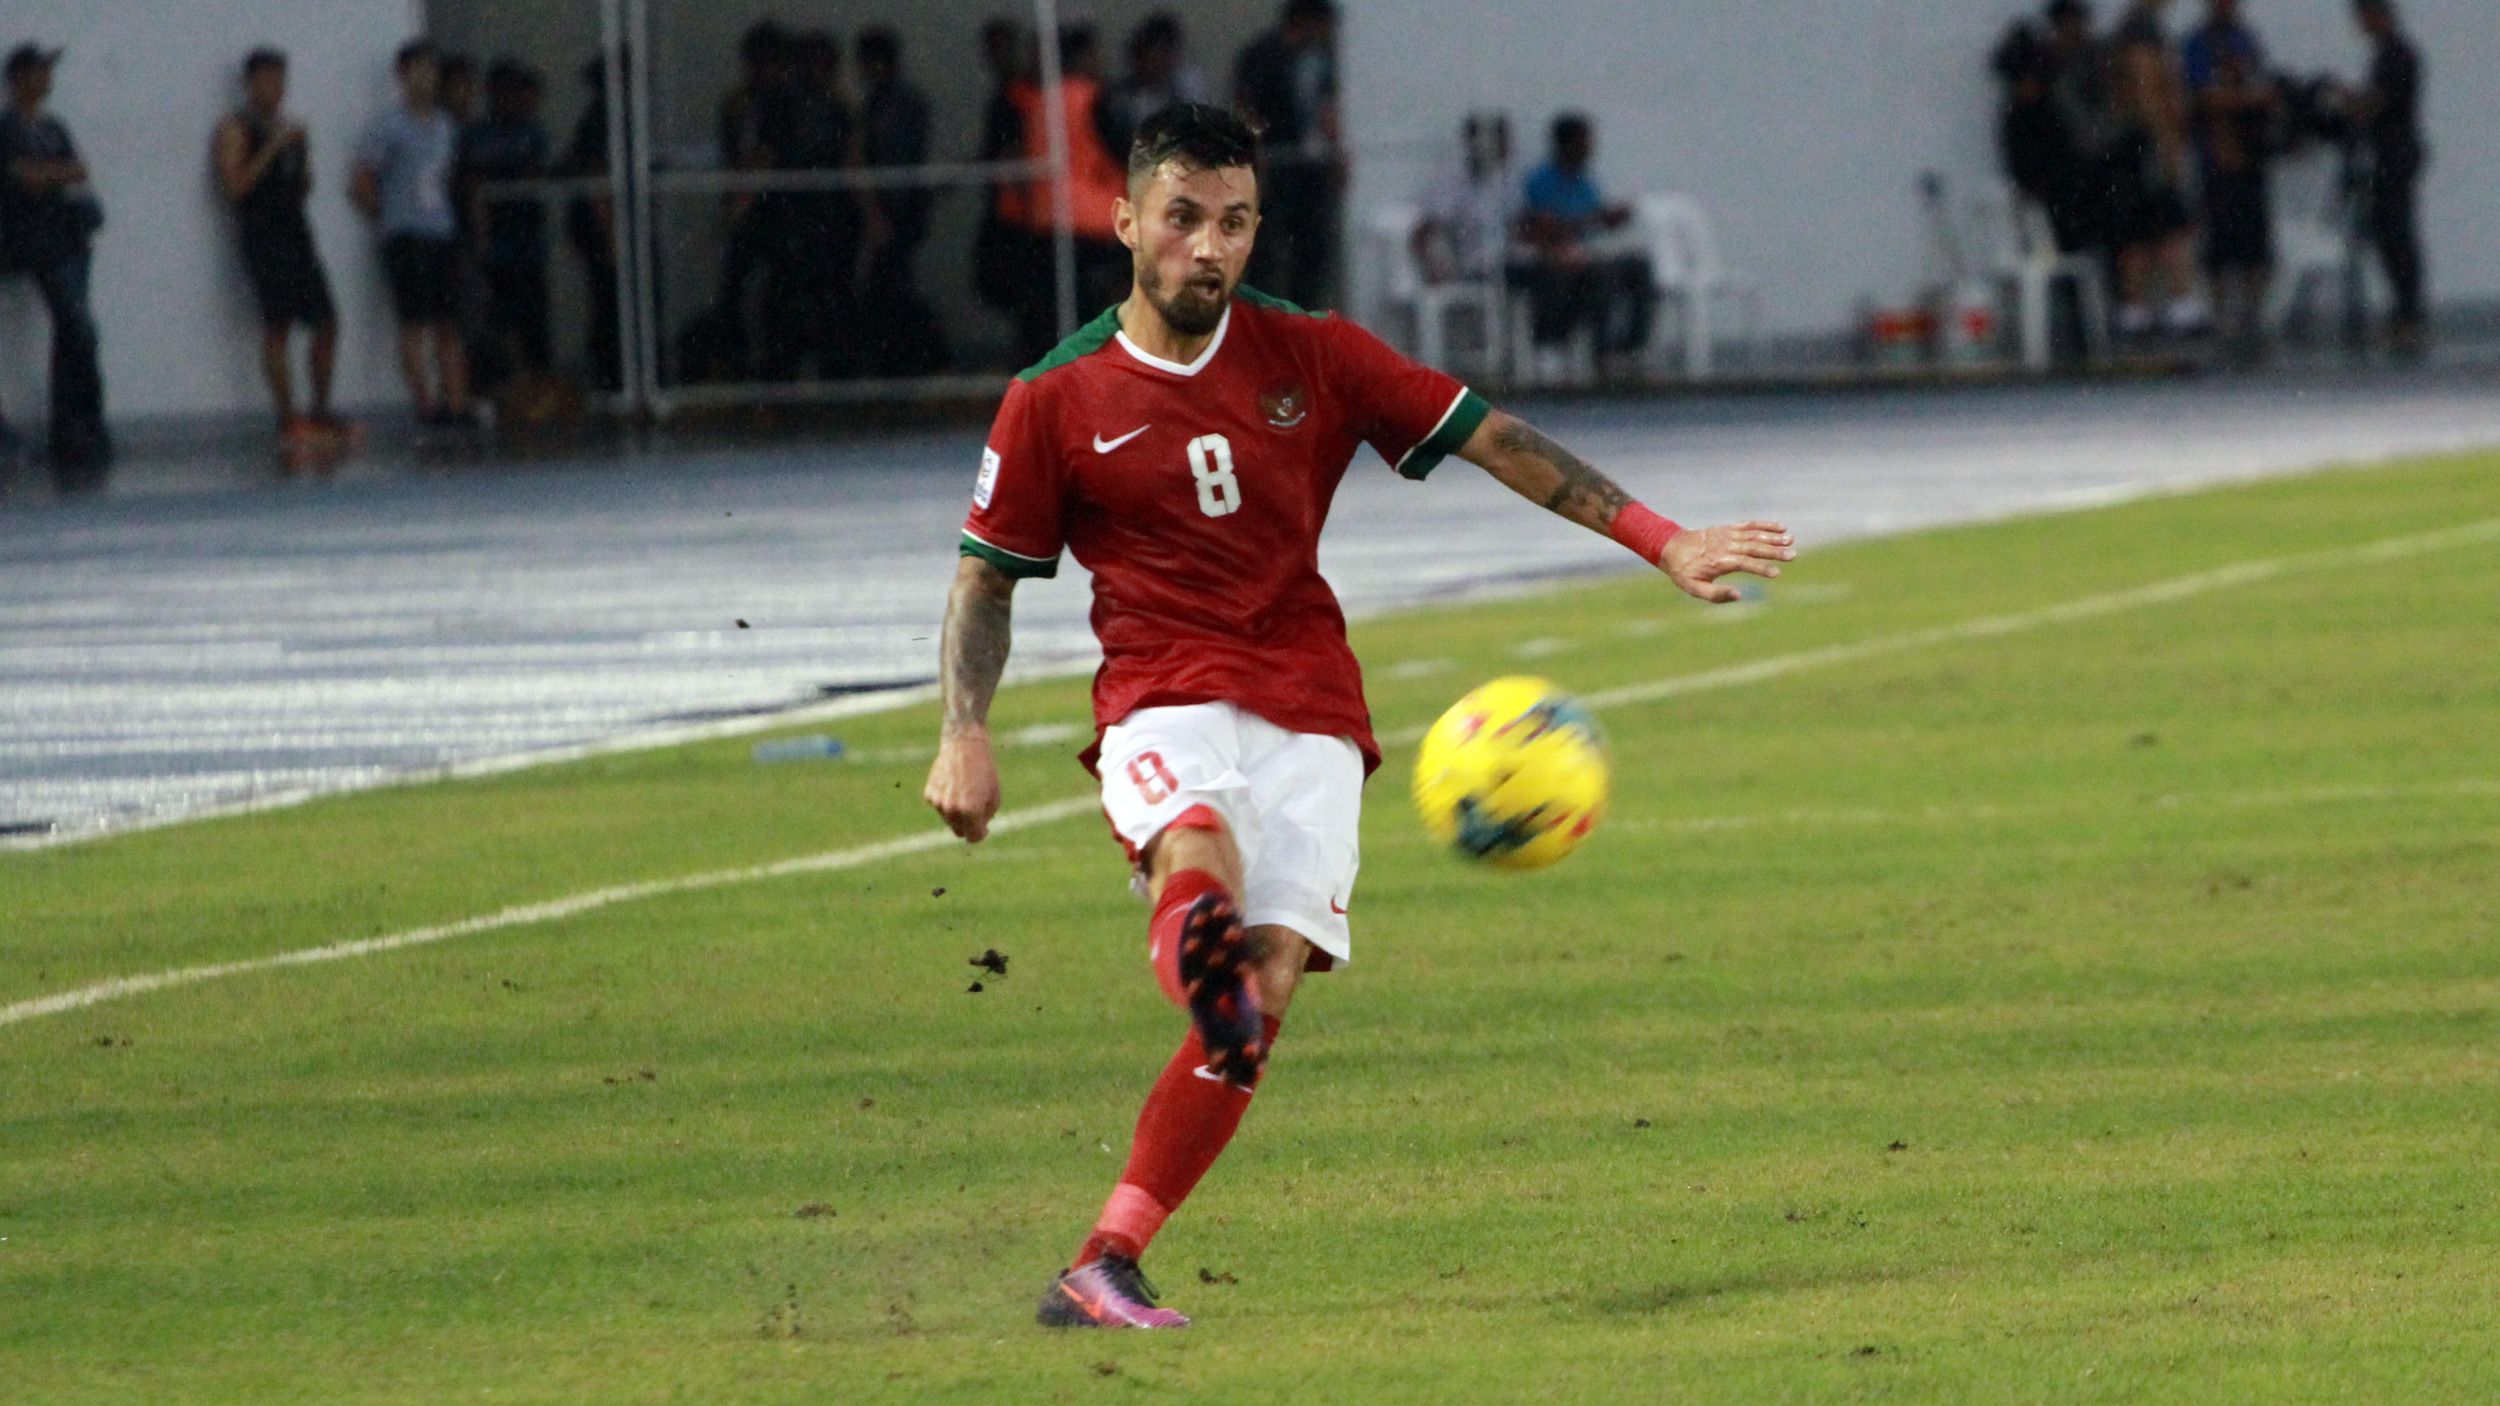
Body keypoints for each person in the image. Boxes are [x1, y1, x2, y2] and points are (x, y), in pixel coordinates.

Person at [921, 102, 1794, 1330]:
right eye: (1180, 219)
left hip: (1310, 706)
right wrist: (964, 728)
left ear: (1255, 226)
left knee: (1264, 986)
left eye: (1231, 222)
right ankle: (1191, 936)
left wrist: (1659, 538)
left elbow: (1493, 437)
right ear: (1125, 221)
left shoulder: (1314, 354)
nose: (1206, 248)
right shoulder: (1054, 398)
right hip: (1162, 692)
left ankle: (1104, 1256)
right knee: (1200, 855)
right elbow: (985, 580)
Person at [213, 48, 345, 447]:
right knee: (278, 325)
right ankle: (286, 415)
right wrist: (272, 146)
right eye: (268, 80)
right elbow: (236, 186)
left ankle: (320, 408)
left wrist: (302, 159)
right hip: (262, 236)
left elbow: (301, 187)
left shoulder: (289, 129)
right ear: (251, 83)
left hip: (296, 232)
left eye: (281, 80)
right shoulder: (236, 128)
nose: (277, 88)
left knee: (327, 322)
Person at [0, 43, 112, 482]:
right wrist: (57, 173)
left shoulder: (52, 126)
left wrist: (56, 174)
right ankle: (72, 426)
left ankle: (79, 425)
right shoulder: (9, 130)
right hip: (37, 244)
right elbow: (27, 178)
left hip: (68, 239)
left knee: (77, 332)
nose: (49, 78)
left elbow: (74, 171)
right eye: (42, 70)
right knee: (76, 325)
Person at [353, 41, 472, 425]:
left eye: (432, 71)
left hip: (441, 232)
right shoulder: (387, 125)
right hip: (406, 234)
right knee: (414, 323)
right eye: (419, 70)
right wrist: (386, 217)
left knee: (448, 322)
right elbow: (363, 179)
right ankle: (425, 404)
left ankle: (456, 401)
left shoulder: (445, 126)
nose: (428, 78)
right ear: (403, 75)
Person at [1001, 26, 1130, 363]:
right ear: (1084, 55)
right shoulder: (1093, 97)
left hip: (1048, 219)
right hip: (1094, 218)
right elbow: (1123, 150)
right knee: (1097, 310)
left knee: (1054, 312)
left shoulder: (1039, 101)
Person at [1515, 112, 1655, 376]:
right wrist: (1592, 222)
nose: (1591, 147)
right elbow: (1543, 227)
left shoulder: (1586, 179)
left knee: (1639, 268)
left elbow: (1591, 220)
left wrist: (1610, 219)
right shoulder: (1541, 181)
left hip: (1588, 249)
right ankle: (1599, 350)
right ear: (1568, 144)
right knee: (1599, 275)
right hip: (1556, 254)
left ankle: (1631, 347)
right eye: (1585, 141)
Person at [2104, 2, 2209, 338]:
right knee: (2171, 229)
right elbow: (2148, 91)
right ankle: (2179, 305)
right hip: (2146, 146)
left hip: (2131, 146)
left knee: (2138, 232)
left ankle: (2135, 310)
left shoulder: (2128, 31)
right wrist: (2168, 148)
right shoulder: (2142, 33)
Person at [2182, 1, 2279, 353]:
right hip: (2216, 160)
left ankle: (2253, 314)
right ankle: (2222, 314)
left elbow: (2260, 84)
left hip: (2251, 158)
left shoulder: (2247, 39)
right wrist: (2245, 100)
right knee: (2221, 244)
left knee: (2255, 244)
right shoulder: (2198, 43)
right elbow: (2204, 97)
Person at [1232, 0, 1342, 309]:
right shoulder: (1261, 56)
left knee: (1311, 249)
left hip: (1309, 166)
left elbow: (1327, 110)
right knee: (1268, 251)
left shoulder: (1319, 60)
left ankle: (1303, 317)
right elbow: (1245, 108)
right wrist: (1253, 154)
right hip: (1274, 166)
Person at [857, 27, 947, 376]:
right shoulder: (885, 102)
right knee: (890, 286)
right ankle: (904, 362)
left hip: (898, 211)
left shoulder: (896, 104)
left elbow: (897, 160)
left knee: (890, 287)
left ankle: (909, 362)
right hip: (897, 210)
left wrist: (882, 216)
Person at [463, 59, 554, 391]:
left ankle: (539, 383)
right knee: (496, 319)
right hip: (493, 246)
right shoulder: (477, 134)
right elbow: (473, 174)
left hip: (527, 243)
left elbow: (534, 172)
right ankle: (502, 385)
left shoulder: (532, 133)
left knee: (534, 318)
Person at [2347, 0, 2426, 353]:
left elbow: (2380, 102)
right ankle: (2404, 311)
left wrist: (2350, 103)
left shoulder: (2395, 54)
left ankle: (2408, 314)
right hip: (2394, 152)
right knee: (2392, 233)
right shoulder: (2392, 52)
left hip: (2394, 154)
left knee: (2396, 234)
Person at [1412, 112, 1516, 290]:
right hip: (1476, 265)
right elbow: (1422, 233)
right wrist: (1434, 269)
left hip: (1508, 260)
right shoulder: (1453, 185)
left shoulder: (1506, 182)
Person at [971, 19, 1031, 327]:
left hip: (1019, 209)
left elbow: (1017, 148)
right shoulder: (1005, 95)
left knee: (1017, 283)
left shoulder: (1021, 95)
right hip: (1006, 206)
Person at [1099, 13, 1210, 159]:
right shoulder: (1118, 99)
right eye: (1155, 54)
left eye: (1167, 54)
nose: (1160, 62)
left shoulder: (1184, 93)